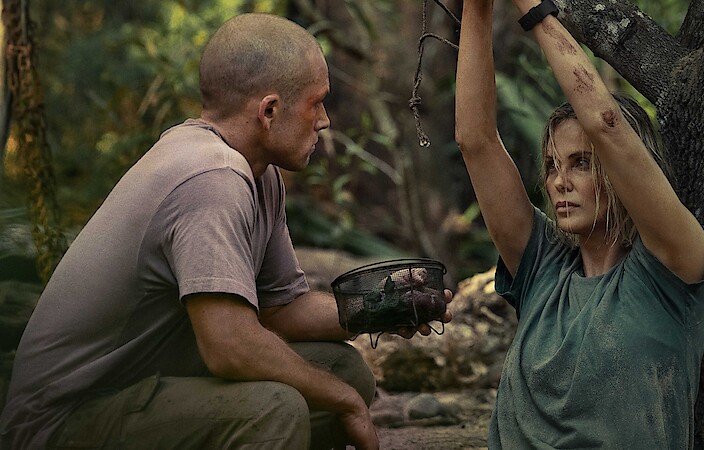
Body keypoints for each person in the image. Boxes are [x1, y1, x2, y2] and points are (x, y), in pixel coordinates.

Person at [0, 13, 451, 450]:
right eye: (317, 102)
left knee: (341, 368)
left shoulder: (257, 174)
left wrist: (384, 306)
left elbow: (281, 309)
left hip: (139, 382)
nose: (325, 120)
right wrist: (347, 404)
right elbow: (228, 346)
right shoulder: (211, 177)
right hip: (59, 420)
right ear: (270, 110)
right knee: (274, 409)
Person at [455, 0, 704, 448]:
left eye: (581, 164)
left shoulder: (673, 266)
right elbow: (475, 141)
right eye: (553, 166)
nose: (559, 182)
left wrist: (534, 9)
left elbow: (608, 124)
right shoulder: (541, 269)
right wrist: (476, 7)